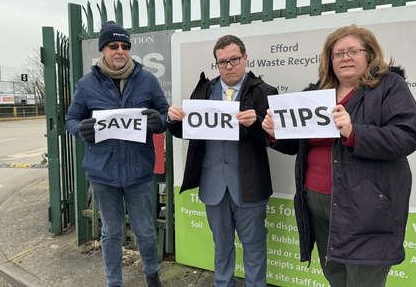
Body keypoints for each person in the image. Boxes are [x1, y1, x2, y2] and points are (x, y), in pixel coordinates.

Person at [262, 24, 416, 287]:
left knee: (363, 281)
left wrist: (353, 131)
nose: (345, 57)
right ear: (330, 60)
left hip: (366, 209)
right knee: (334, 275)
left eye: (353, 51)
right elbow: (298, 146)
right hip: (318, 206)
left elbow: (407, 135)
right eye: (338, 53)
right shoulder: (315, 95)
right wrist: (275, 133)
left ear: (369, 55)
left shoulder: (389, 86)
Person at [167, 35, 278, 287]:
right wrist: (173, 121)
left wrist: (257, 125)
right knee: (222, 245)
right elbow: (188, 130)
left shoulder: (265, 92)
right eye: (222, 62)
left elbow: (277, 139)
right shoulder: (204, 90)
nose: (229, 66)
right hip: (213, 183)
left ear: (245, 58)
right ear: (216, 63)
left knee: (254, 246)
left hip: (250, 184)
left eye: (234, 59)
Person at [66, 21, 168, 287]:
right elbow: (71, 119)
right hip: (103, 173)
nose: (120, 51)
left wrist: (159, 121)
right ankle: (114, 282)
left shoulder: (147, 79)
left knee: (145, 230)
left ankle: (152, 274)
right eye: (113, 46)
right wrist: (80, 129)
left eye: (125, 46)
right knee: (110, 232)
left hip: (139, 171)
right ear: (103, 50)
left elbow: (165, 113)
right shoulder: (87, 84)